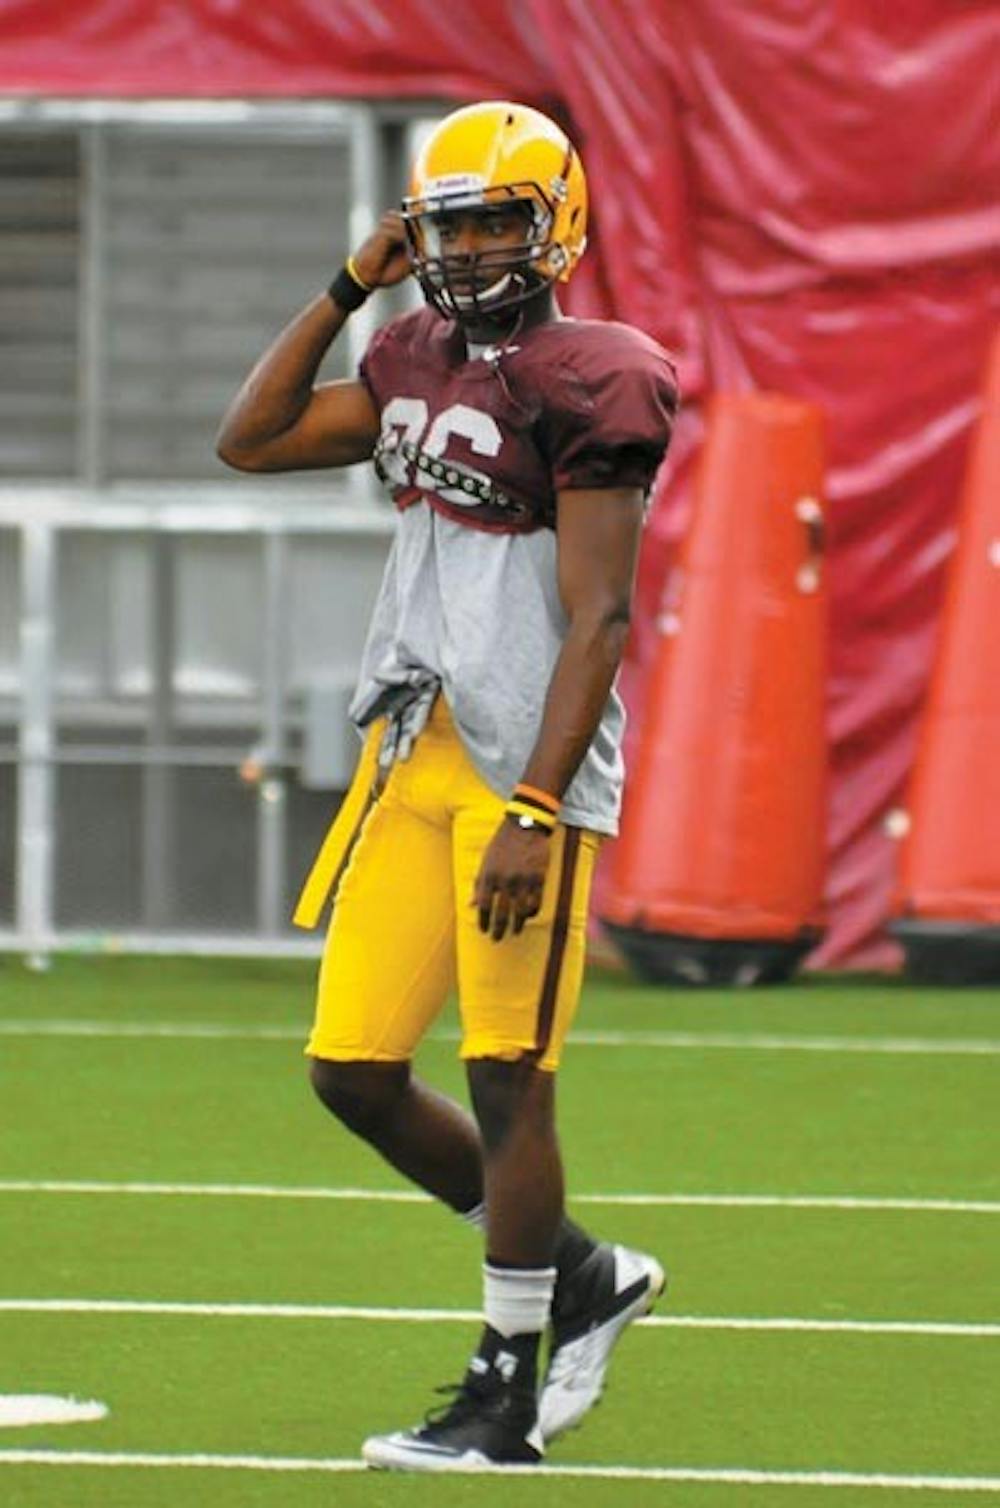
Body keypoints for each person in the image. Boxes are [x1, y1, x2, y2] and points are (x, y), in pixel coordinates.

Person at [217, 99, 678, 1472]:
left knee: (504, 1076)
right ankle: (588, 1276)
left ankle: (504, 1389)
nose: (467, 248)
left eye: (493, 222)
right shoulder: (412, 347)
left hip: (520, 774)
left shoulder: (599, 373)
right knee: (352, 1072)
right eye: (448, 223)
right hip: (414, 753)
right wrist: (346, 284)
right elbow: (254, 437)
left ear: (558, 226)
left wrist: (538, 807)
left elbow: (598, 617)